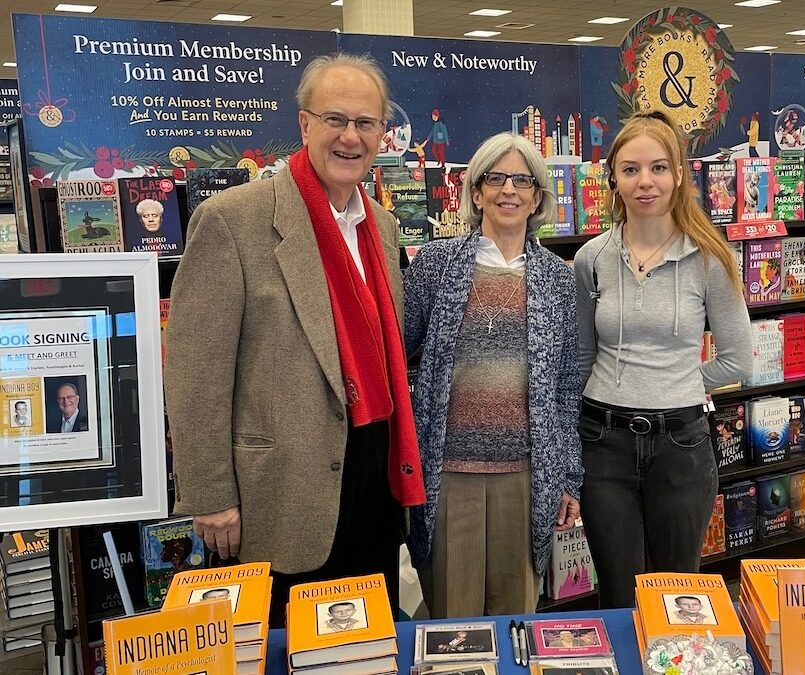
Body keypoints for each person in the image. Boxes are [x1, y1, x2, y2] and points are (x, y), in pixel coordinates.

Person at [164, 53, 425, 627]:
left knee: (365, 649)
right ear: (304, 125)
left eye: (366, 123)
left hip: (372, 481)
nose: (350, 137)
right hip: (277, 499)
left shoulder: (381, 226)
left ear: (384, 134)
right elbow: (195, 375)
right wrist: (209, 494)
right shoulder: (233, 221)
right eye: (335, 119)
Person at [574, 111, 752, 609]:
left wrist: (678, 383)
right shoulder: (591, 258)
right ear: (613, 177)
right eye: (630, 169)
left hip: (681, 444)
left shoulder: (710, 257)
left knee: (679, 594)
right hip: (601, 443)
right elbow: (585, 354)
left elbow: (737, 359)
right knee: (618, 592)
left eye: (657, 167)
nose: (644, 181)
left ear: (679, 174)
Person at [404, 132, 583, 618]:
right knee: (452, 622)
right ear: (476, 191)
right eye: (496, 178)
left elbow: (567, 387)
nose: (509, 190)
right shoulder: (437, 265)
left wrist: (568, 475)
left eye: (522, 181)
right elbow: (398, 354)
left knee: (515, 617)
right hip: (448, 472)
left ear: (537, 197)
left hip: (526, 476)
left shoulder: (558, 279)